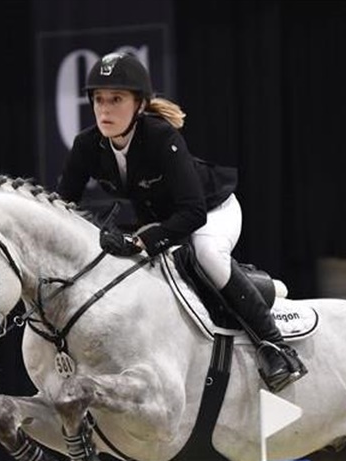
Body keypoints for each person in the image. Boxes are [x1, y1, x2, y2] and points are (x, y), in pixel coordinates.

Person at [56, 50, 307, 393]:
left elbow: (193, 212)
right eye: (99, 99)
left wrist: (140, 240)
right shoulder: (87, 145)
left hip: (212, 210)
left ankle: (276, 348)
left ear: (139, 104)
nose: (105, 110)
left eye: (116, 99)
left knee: (206, 255)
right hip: (161, 219)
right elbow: (63, 207)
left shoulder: (161, 137)